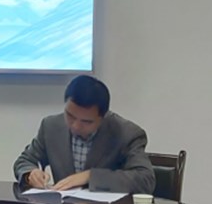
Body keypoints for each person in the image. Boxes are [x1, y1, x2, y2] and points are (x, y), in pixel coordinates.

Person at [13, 75, 155, 194]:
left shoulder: (126, 134)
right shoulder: (51, 127)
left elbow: (145, 179)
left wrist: (90, 176)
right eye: (70, 115)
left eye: (86, 122)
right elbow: (24, 160)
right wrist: (30, 173)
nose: (75, 125)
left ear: (103, 117)